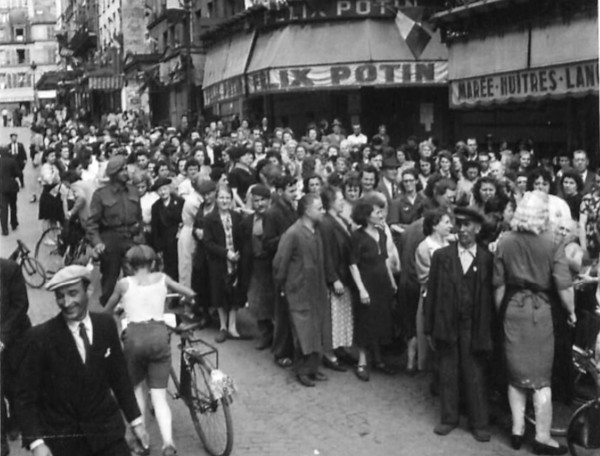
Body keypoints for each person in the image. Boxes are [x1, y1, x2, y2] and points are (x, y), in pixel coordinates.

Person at [14, 265, 149, 456]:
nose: (66, 302)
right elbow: (25, 397)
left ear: (89, 290)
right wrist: (37, 443)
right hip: (67, 444)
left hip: (108, 435)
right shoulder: (40, 338)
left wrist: (136, 421)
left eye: (72, 293)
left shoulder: (106, 326)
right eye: (60, 296)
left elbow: (120, 378)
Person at [493, 191, 576, 455]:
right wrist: (571, 311)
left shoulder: (505, 240)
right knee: (541, 378)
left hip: (513, 309)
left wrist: (501, 312)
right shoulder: (553, 241)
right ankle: (542, 437)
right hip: (540, 312)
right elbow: (563, 285)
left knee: (516, 374)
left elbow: (498, 284)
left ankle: (517, 430)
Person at [104, 245, 196, 456]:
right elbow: (189, 293)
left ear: (129, 265)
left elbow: (108, 310)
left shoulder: (123, 284)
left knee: (137, 391)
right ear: (153, 263)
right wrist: (186, 300)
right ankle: (168, 443)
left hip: (134, 339)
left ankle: (141, 442)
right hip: (159, 337)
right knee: (159, 397)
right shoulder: (163, 278)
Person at [423, 207, 493, 442]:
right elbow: (431, 294)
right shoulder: (441, 257)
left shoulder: (486, 259)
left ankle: (479, 422)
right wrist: (429, 328)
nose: (463, 230)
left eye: (468, 226)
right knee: (448, 372)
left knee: (475, 373)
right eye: (459, 225)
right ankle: (449, 418)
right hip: (447, 323)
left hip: (474, 326)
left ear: (478, 229)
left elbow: (492, 300)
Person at [273, 193, 330, 387]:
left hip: (315, 289)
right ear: (307, 210)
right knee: (301, 331)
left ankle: (313, 367)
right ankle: (302, 370)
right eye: (319, 208)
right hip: (298, 289)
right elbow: (280, 262)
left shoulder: (316, 231)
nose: (322, 211)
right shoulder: (293, 233)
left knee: (315, 328)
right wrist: (283, 286)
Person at [349, 200, 398, 381]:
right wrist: (361, 290)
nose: (381, 215)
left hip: (382, 285)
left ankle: (378, 359)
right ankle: (362, 361)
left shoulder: (382, 234)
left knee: (380, 320)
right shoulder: (357, 237)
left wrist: (392, 282)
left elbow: (384, 259)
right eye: (377, 212)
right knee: (365, 321)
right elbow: (353, 265)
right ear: (367, 216)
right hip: (366, 283)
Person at [86, 155, 143, 306]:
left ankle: (134, 309)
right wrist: (97, 243)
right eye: (122, 170)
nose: (126, 172)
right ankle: (107, 312)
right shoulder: (101, 195)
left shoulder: (134, 191)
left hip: (131, 239)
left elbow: (139, 217)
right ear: (114, 174)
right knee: (110, 280)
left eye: (126, 169)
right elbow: (92, 224)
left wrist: (140, 236)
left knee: (135, 278)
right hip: (110, 240)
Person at [264, 175, 299, 368]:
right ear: (279, 192)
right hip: (280, 267)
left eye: (295, 190)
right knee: (282, 311)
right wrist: (288, 236)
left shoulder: (293, 208)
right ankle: (280, 352)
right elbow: (267, 243)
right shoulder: (272, 213)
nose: (295, 194)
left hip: (294, 265)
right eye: (291, 191)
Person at [203, 185, 245, 343]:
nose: (224, 201)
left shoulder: (236, 217)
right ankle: (223, 326)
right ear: (216, 199)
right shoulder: (209, 219)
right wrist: (226, 253)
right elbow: (208, 242)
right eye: (221, 197)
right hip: (218, 261)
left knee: (234, 292)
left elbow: (241, 237)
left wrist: (239, 254)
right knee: (219, 292)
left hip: (236, 260)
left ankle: (233, 326)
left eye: (227, 198)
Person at [415, 209, 454, 373]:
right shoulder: (424, 248)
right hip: (433, 298)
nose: (450, 226)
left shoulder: (449, 244)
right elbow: (425, 278)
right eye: (446, 222)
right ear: (434, 226)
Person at [319, 186, 353, 372]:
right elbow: (327, 253)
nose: (343, 202)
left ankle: (339, 348)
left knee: (341, 316)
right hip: (335, 278)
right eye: (339, 199)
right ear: (331, 201)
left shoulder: (339, 220)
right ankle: (329, 353)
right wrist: (333, 279)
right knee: (332, 317)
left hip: (344, 274)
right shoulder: (326, 223)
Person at [0, 258, 32, 456]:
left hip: (15, 337)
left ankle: (15, 422)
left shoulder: (9, 269)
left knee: (14, 385)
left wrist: (2, 338)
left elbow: (21, 305)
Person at [240, 184, 275, 350]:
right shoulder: (247, 221)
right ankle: (265, 333)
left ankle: (277, 334)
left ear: (269, 201)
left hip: (272, 265)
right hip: (255, 265)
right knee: (256, 301)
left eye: (263, 200)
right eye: (256, 201)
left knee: (273, 301)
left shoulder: (275, 219)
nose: (260, 204)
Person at [150, 177, 184, 280]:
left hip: (179, 239)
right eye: (160, 190)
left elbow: (184, 219)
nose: (163, 192)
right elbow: (155, 228)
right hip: (165, 242)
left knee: (181, 265)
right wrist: (158, 247)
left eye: (164, 189)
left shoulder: (179, 201)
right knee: (169, 267)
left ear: (169, 189)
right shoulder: (155, 206)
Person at [0, 148, 22, 235]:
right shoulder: (12, 161)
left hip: (1, 186)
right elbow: (18, 173)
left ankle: (4, 229)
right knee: (13, 205)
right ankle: (14, 223)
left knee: (3, 208)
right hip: (12, 185)